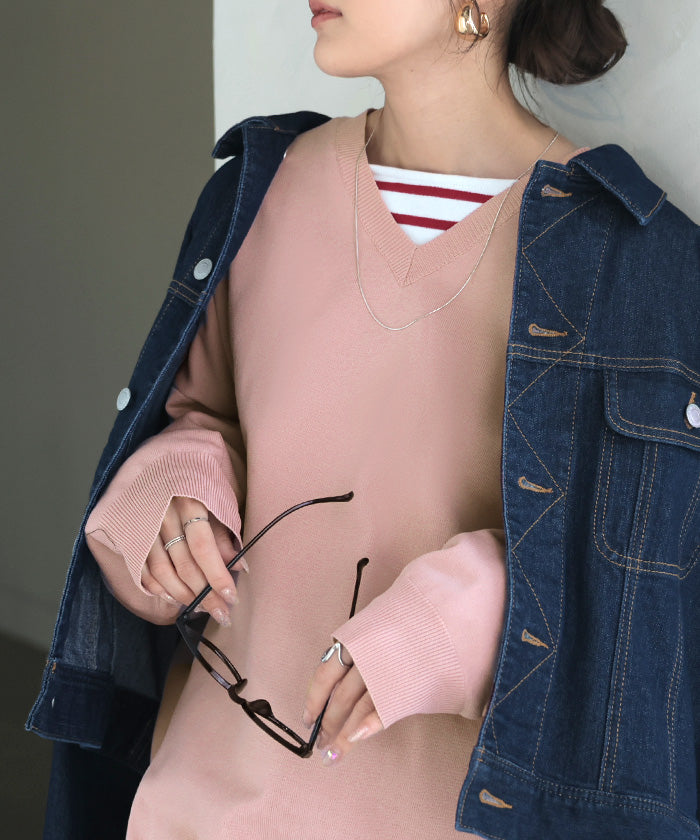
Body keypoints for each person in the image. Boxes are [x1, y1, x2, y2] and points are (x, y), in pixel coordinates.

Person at [28, 1, 700, 838]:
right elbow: (197, 416)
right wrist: (172, 491)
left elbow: (640, 602)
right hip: (198, 802)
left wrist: (471, 612)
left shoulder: (633, 257)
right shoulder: (261, 187)